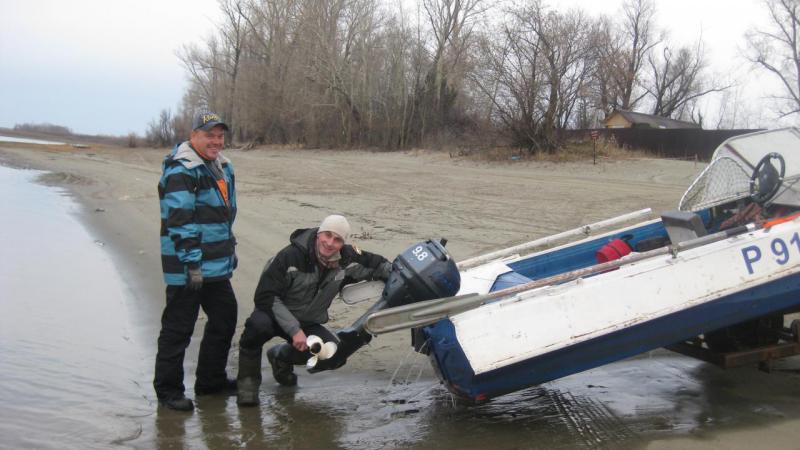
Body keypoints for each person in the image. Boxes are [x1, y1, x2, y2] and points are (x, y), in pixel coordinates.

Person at [236, 214, 392, 407]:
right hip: (274, 314)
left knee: (332, 355)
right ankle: (247, 385)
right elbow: (264, 296)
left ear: (343, 243)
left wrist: (397, 276)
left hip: (308, 322)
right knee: (255, 328)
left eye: (337, 240)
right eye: (327, 235)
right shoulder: (290, 256)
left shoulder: (348, 258)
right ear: (319, 234)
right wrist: (294, 331)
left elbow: (379, 265)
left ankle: (280, 357)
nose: (330, 243)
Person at [153, 111, 238, 411]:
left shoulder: (222, 167)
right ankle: (168, 391)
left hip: (216, 265)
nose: (216, 140)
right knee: (178, 329)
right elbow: (180, 220)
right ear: (194, 136)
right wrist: (192, 264)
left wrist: (230, 249)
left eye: (219, 135)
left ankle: (210, 381)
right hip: (188, 268)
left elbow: (223, 217)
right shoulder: (182, 170)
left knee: (225, 318)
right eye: (209, 135)